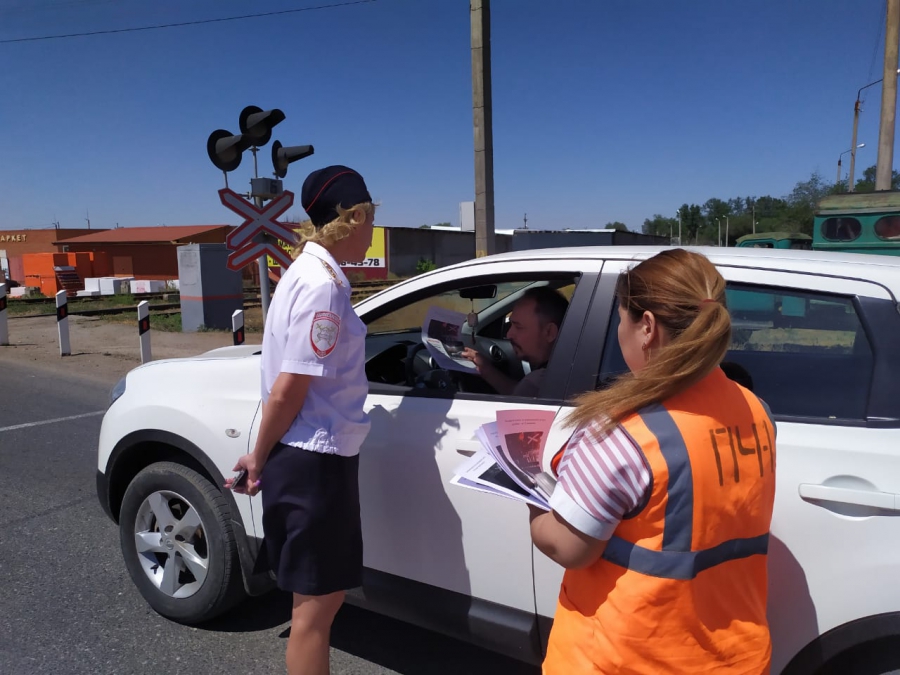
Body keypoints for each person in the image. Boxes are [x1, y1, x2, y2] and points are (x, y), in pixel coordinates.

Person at [530, 249, 776, 674]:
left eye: (619, 319)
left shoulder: (623, 432)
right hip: (734, 658)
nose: (618, 330)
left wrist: (531, 491)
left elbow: (570, 547)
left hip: (626, 659)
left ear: (646, 327)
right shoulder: (755, 409)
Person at [227, 165, 375, 675]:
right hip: (317, 461)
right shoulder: (325, 285)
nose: (372, 227)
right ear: (354, 216)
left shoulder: (305, 273)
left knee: (314, 606)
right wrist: (259, 456)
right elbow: (292, 385)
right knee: (316, 611)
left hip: (309, 456)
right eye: (370, 216)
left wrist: (262, 453)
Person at [461, 286, 569, 396]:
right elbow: (517, 391)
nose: (509, 335)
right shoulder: (568, 370)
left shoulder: (538, 382)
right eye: (511, 324)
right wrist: (486, 368)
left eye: (519, 327)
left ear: (549, 332)